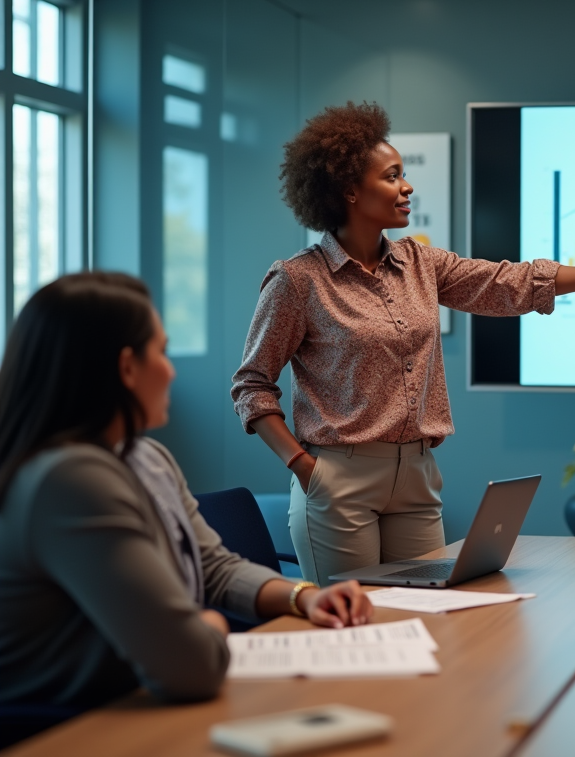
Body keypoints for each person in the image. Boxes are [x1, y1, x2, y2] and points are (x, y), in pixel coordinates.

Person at [231, 101, 575, 586]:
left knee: (431, 615)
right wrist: (303, 466)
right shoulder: (298, 281)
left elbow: (513, 282)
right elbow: (251, 385)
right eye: (392, 176)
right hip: (339, 478)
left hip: (418, 476)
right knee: (361, 627)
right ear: (349, 191)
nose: (407, 187)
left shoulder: (420, 264)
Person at [0, 273, 373, 713]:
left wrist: (303, 596)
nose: (171, 369)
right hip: (66, 732)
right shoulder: (69, 480)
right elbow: (192, 665)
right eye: (161, 351)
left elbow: (213, 566)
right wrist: (210, 625)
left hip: (135, 705)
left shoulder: (145, 457)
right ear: (126, 367)